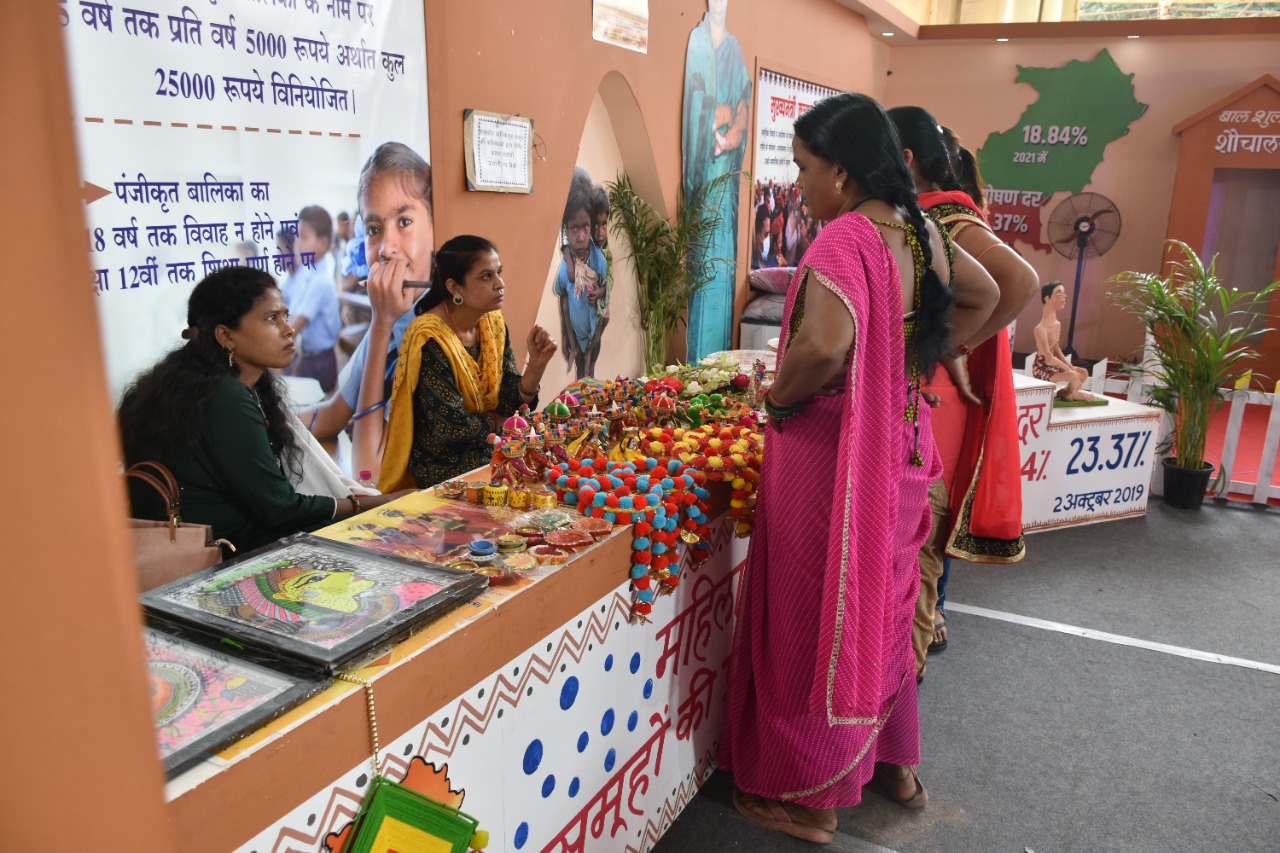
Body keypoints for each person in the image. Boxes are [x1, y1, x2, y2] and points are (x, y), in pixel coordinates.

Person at [720, 93, 998, 843]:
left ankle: (810, 798)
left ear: (841, 172)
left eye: (803, 167)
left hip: (833, 460)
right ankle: (892, 767)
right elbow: (989, 294)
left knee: (813, 618)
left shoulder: (845, 238)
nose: (797, 183)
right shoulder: (917, 230)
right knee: (884, 611)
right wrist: (920, 357)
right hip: (902, 452)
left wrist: (777, 398)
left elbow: (820, 348)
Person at [889, 107, 1040, 681]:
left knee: (917, 542)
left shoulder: (942, 219)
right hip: (926, 394)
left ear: (906, 160)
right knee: (912, 542)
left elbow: (1019, 282)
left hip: (931, 398)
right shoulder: (929, 215)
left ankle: (900, 689)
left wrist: (946, 345)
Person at [118, 267, 405, 554]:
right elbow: (280, 509)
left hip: (224, 543)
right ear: (226, 336)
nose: (288, 329)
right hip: (226, 556)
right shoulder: (224, 396)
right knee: (384, 533)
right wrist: (368, 503)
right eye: (271, 318)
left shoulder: (206, 384)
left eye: (285, 316)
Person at [377, 235, 558, 490]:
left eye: (499, 273)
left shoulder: (492, 323)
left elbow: (511, 403)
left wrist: (536, 366)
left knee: (550, 464)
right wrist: (499, 422)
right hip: (443, 465)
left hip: (490, 446)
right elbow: (451, 428)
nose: (500, 284)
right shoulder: (431, 338)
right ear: (455, 287)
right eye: (486, 276)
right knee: (524, 479)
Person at [298, 143, 432, 482]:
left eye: (404, 221)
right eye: (373, 229)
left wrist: (382, 322)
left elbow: (368, 474)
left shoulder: (434, 333)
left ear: (436, 226)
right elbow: (332, 415)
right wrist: (265, 424)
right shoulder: (397, 316)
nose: (385, 248)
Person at [681, 0, 751, 360]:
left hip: (726, 183)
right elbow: (697, 103)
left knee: (722, 266)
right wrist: (719, 112)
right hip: (705, 176)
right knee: (704, 266)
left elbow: (743, 104)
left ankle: (718, 363)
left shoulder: (735, 49)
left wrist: (731, 135)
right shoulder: (697, 41)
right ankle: (699, 362)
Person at [553, 169, 608, 379]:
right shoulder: (564, 268)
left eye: (586, 226)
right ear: (566, 229)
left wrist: (598, 333)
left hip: (594, 331)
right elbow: (563, 298)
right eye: (574, 229)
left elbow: (604, 302)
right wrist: (566, 335)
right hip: (575, 335)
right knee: (580, 371)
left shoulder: (599, 261)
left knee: (590, 367)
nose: (581, 236)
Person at [281, 205, 341, 392]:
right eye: (297, 237)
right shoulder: (307, 274)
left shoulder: (321, 282)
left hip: (321, 361)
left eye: (304, 237)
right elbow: (290, 314)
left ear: (323, 243)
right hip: (309, 356)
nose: (297, 244)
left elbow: (294, 326)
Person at [1034, 280, 1095, 400]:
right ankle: (1075, 394)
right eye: (1059, 293)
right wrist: (1068, 369)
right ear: (1048, 299)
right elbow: (1048, 358)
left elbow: (1056, 348)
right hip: (1042, 367)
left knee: (1083, 373)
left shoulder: (1057, 324)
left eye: (1064, 292)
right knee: (1072, 375)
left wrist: (1070, 365)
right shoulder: (1040, 329)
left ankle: (1067, 392)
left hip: (1054, 365)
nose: (1064, 296)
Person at [587, 182, 614, 373]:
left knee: (592, 352)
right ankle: (584, 386)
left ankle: (588, 385)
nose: (600, 232)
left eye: (604, 224)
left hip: (601, 314)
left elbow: (610, 278)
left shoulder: (605, 251)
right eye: (595, 225)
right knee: (585, 356)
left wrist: (603, 291)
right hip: (586, 316)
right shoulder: (583, 248)